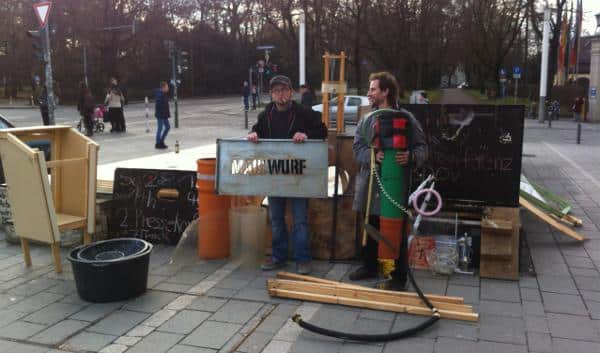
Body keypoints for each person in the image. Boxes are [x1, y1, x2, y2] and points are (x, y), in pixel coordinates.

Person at [350, 71, 427, 290]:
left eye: (373, 89)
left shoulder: (406, 119)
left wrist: (411, 156)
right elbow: (357, 148)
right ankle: (369, 266)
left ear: (386, 91)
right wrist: (372, 156)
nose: (369, 93)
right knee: (371, 225)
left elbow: (423, 148)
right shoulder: (367, 120)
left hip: (394, 189)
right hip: (370, 185)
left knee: (393, 230)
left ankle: (394, 275)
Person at [247, 75, 327, 275]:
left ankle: (303, 259)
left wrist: (307, 135)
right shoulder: (267, 114)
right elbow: (257, 129)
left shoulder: (304, 113)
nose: (280, 94)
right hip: (274, 174)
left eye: (284, 90)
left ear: (291, 92)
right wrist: (254, 134)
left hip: (299, 175)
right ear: (271, 94)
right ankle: (278, 257)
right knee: (276, 218)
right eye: (276, 91)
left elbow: (322, 130)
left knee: (300, 219)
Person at [154, 81, 171, 149]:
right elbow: (159, 106)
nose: (168, 88)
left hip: (164, 115)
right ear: (163, 87)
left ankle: (161, 141)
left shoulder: (163, 94)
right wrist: (162, 114)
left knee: (167, 127)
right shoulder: (160, 95)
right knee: (160, 128)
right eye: (167, 87)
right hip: (161, 115)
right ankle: (158, 143)